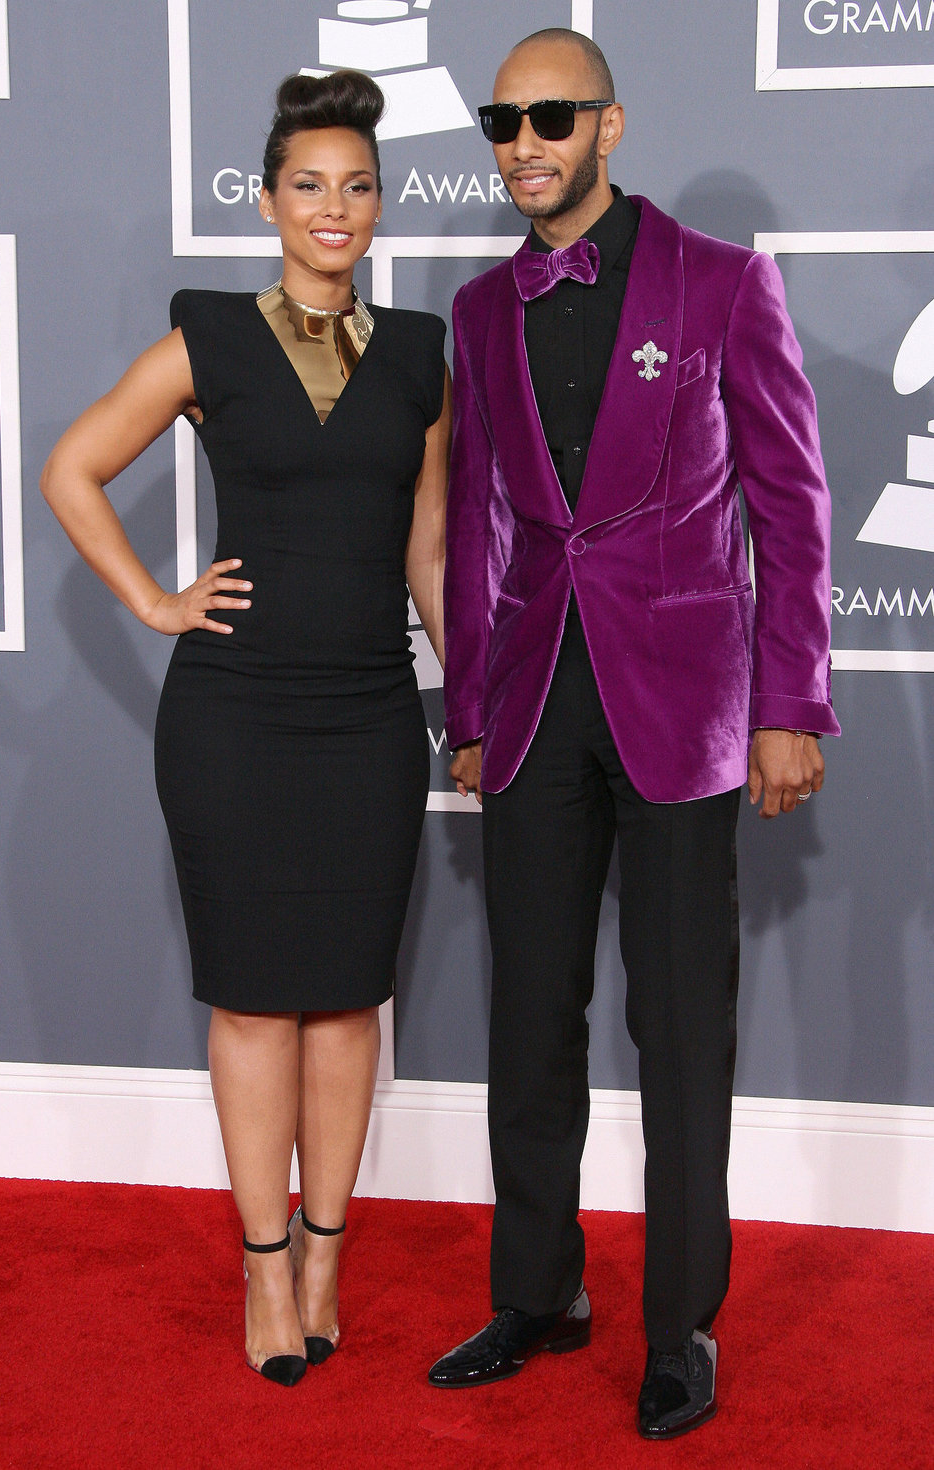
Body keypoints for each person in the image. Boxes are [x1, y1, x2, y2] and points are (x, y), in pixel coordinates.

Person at [428, 28, 838, 1439]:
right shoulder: (481, 311)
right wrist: (470, 710)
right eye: (502, 119)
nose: (524, 140)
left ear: (609, 124)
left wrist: (792, 701)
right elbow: (478, 524)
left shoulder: (720, 282)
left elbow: (790, 508)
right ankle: (538, 1291)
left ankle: (680, 1329)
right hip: (537, 700)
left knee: (677, 1027)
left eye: (552, 115)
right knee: (528, 1015)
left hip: (685, 700)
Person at [42, 70, 449, 1388]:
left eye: (357, 185)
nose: (335, 207)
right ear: (268, 200)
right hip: (234, 718)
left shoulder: (423, 356)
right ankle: (263, 1263)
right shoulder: (209, 334)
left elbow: (430, 546)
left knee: (347, 1002)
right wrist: (157, 600)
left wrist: (478, 696)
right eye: (309, 185)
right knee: (255, 1002)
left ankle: (327, 1251)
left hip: (370, 718)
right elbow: (72, 467)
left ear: (380, 204)